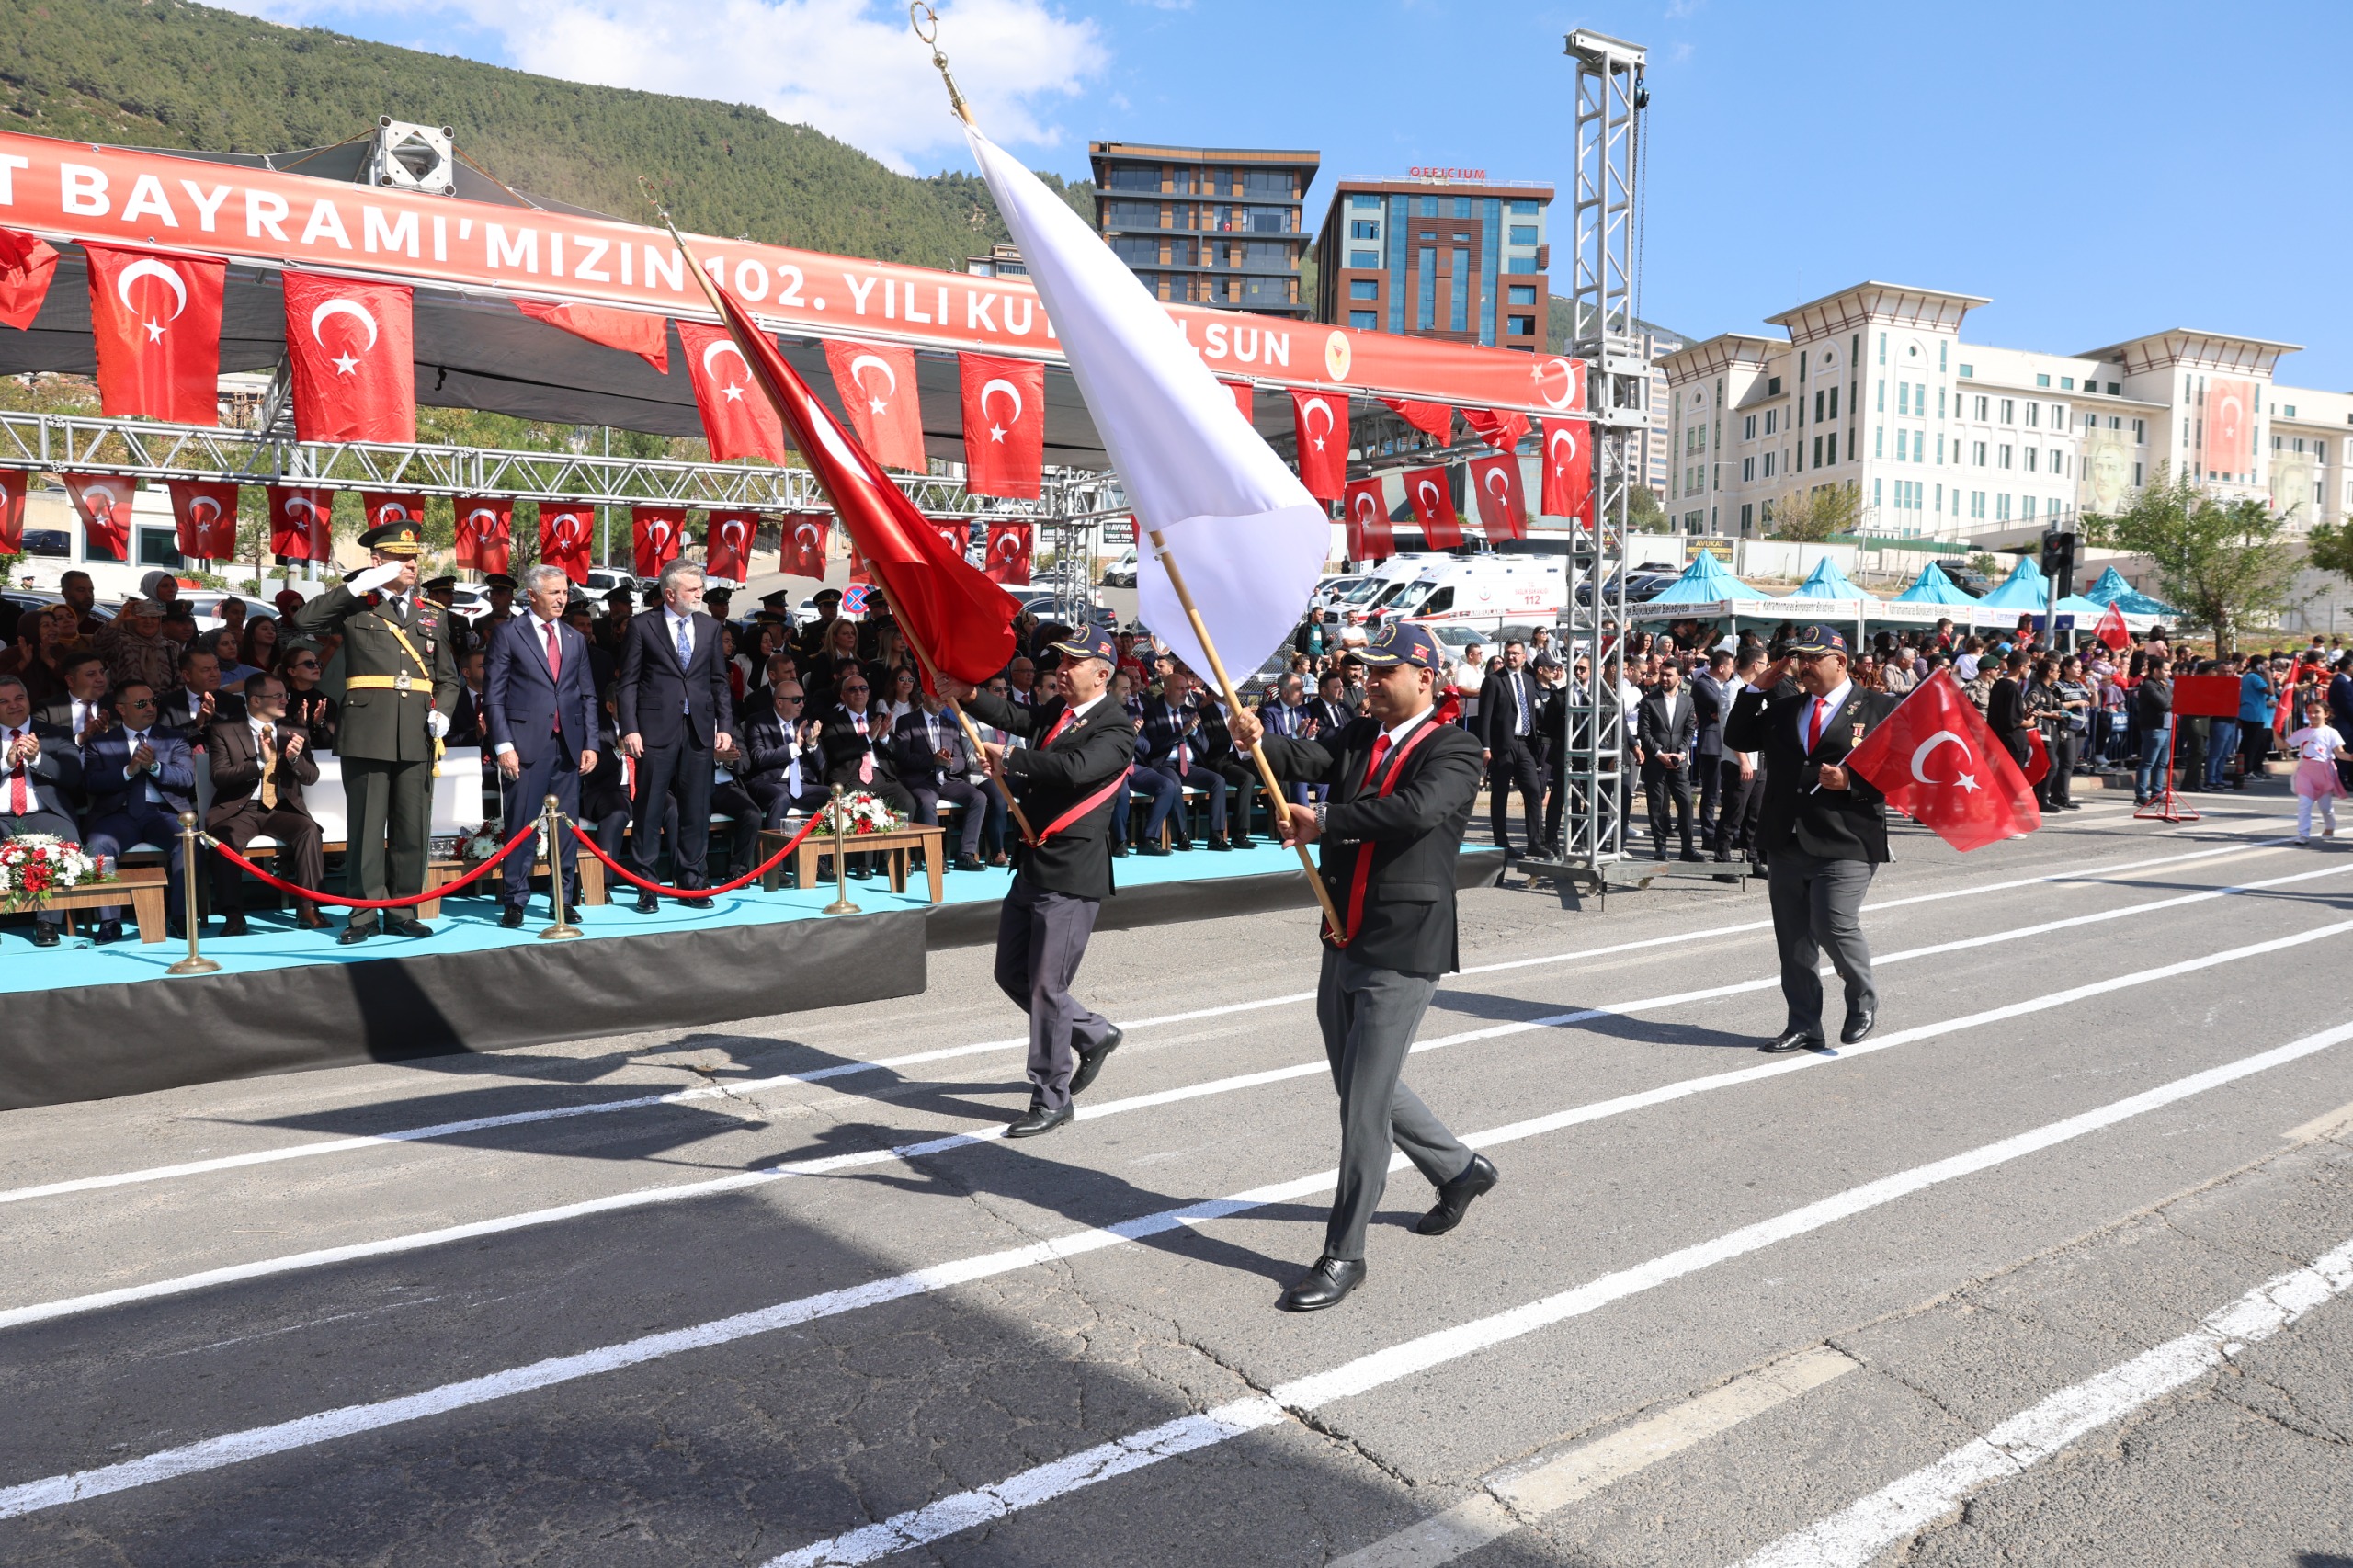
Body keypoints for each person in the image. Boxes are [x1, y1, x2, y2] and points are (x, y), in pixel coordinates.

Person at [1226, 623, 1495, 1312]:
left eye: (1385, 671)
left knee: (1363, 1106)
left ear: (1426, 677)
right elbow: (1299, 752)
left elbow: (1415, 812)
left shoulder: (1457, 749)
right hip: (1341, 929)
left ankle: (1344, 1252)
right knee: (1359, 1082)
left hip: (1403, 944)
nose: (1368, 681)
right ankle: (1459, 1170)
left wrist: (1326, 820)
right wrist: (1250, 733)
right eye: (1365, 672)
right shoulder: (1357, 736)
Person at [941, 627, 1135, 1139]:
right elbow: (1019, 718)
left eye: (1074, 662)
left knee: (1048, 987)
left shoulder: (1117, 726)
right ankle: (1093, 1032)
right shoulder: (1060, 712)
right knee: (1012, 973)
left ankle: (1052, 1095)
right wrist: (969, 695)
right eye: (1061, 661)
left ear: (1102, 672)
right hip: (1034, 864)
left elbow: (1077, 768)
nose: (1061, 669)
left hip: (1071, 873)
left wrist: (1011, 759)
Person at [1722, 625, 1900, 1053]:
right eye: (1798, 659)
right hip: (1787, 837)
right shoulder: (1785, 707)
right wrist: (1755, 690)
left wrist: (1852, 781)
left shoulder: (1880, 707)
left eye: (1812, 658)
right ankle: (1804, 1023)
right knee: (1794, 938)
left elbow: (1901, 770)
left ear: (1840, 661)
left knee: (1833, 924)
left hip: (1847, 839)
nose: (1802, 667)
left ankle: (1862, 1000)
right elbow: (1737, 738)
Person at [290, 520, 461, 943]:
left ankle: (403, 910)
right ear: (377, 561)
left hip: (418, 733)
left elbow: (448, 678)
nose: (411, 565)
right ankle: (364, 916)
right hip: (368, 729)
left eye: (414, 558)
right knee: (367, 829)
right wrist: (356, 586)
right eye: (401, 558)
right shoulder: (355, 605)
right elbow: (303, 620)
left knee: (411, 827)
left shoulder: (430, 614)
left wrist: (445, 712)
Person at [485, 564, 600, 928]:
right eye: (554, 593)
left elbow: (587, 695)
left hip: (567, 745)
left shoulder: (574, 637)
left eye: (565, 592)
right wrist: (503, 745)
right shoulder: (508, 634)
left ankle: (562, 899)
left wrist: (591, 743)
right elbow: (493, 696)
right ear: (532, 595)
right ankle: (515, 900)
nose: (562, 599)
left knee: (565, 828)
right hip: (523, 746)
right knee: (522, 824)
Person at [204, 673, 326, 935]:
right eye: (278, 696)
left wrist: (294, 759)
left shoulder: (296, 730)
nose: (284, 700)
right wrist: (259, 762)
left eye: (285, 695)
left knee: (309, 830)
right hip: (239, 809)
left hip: (281, 808)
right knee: (225, 839)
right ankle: (234, 915)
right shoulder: (224, 729)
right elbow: (219, 777)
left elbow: (311, 777)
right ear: (255, 700)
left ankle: (308, 908)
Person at [78, 679, 195, 944]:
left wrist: (154, 767)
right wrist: (128, 771)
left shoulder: (174, 738)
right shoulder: (101, 743)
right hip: (118, 815)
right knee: (98, 844)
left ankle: (181, 918)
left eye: (153, 701)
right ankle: (110, 921)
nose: (150, 707)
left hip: (163, 813)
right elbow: (92, 783)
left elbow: (187, 778)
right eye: (142, 703)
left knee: (188, 843)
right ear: (121, 708)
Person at [0, 673, 82, 946]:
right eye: (4, 701)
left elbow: (73, 776)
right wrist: (7, 764)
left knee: (66, 838)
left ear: (28, 699)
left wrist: (37, 759)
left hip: (43, 814)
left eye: (19, 697)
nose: (14, 705)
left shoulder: (55, 733)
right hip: (1, 816)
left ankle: (47, 921)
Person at [816, 671, 919, 877]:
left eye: (863, 688)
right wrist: (868, 739)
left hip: (880, 775)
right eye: (853, 689)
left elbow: (897, 751)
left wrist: (882, 739)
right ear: (843, 696)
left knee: (907, 801)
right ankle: (863, 864)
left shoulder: (877, 718)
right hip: (850, 776)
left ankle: (889, 860)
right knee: (864, 803)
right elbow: (837, 753)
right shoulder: (832, 720)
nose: (859, 693)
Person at [1137, 666, 1231, 852]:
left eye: (1186, 689)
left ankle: (1216, 835)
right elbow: (1153, 746)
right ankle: (1182, 836)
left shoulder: (1190, 712)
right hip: (1165, 764)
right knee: (1175, 786)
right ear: (1167, 690)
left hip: (1189, 765)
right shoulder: (1153, 713)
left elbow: (1204, 746)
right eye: (1180, 689)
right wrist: (1182, 733)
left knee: (1218, 781)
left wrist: (1194, 732)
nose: (1184, 692)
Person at [896, 687, 989, 870]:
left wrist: (949, 763)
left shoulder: (950, 724)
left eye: (944, 697)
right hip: (921, 780)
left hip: (948, 780)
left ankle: (966, 854)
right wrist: (932, 760)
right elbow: (902, 757)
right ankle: (935, 856)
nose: (942, 700)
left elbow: (961, 759)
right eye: (936, 696)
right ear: (924, 697)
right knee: (927, 801)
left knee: (979, 798)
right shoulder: (906, 721)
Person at [1477, 640, 1545, 858]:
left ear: (1524, 657)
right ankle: (1502, 844)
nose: (1511, 656)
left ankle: (1534, 842)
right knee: (1500, 796)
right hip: (1502, 746)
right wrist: (1486, 747)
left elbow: (1531, 712)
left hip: (1524, 744)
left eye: (1515, 653)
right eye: (1508, 653)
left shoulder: (1528, 679)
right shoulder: (1493, 681)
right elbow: (1485, 717)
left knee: (1534, 791)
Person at [739, 679, 829, 832]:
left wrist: (812, 744)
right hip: (769, 784)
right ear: (779, 702)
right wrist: (793, 747)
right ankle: (775, 853)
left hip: (802, 787)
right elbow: (758, 757)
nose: (802, 704)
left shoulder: (806, 723)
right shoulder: (757, 721)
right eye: (796, 700)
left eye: (803, 699)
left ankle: (821, 854)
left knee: (834, 797)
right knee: (781, 799)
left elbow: (820, 766)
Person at [1638, 657, 1700, 859]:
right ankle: (1660, 847)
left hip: (1678, 761)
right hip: (1655, 761)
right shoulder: (1649, 700)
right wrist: (1658, 753)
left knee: (1685, 803)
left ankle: (1687, 848)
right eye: (1662, 674)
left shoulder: (1687, 701)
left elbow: (1690, 729)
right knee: (1656, 804)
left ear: (1679, 678)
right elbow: (1644, 731)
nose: (1664, 678)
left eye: (1668, 675)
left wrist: (1681, 753)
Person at [1689, 649, 1737, 848]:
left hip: (1725, 743)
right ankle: (1708, 835)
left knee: (1728, 791)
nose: (1733, 671)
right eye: (1731, 667)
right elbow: (1719, 704)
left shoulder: (1723, 685)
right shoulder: (1702, 684)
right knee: (1710, 792)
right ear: (1721, 667)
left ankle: (1727, 832)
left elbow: (1726, 707)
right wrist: (1721, 709)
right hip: (1711, 744)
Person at [2285, 700, 2349, 843]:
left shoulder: (2332, 732)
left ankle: (2330, 824)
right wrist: (2274, 727)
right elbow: (2282, 745)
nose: (2312, 715)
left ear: (2326, 714)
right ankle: (2303, 834)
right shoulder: (2302, 732)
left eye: (2317, 712)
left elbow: (2340, 754)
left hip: (2324, 772)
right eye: (2309, 712)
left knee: (2325, 807)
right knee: (2304, 804)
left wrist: (2351, 757)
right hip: (2305, 772)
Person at [2134, 657, 2174, 807]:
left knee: (2162, 763)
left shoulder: (2165, 685)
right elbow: (2164, 704)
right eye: (2166, 670)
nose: (2169, 673)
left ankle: (2157, 793)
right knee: (2148, 762)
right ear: (2156, 670)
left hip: (2167, 726)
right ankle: (2141, 795)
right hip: (2154, 727)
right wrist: (2172, 699)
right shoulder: (2149, 686)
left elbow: (2170, 700)